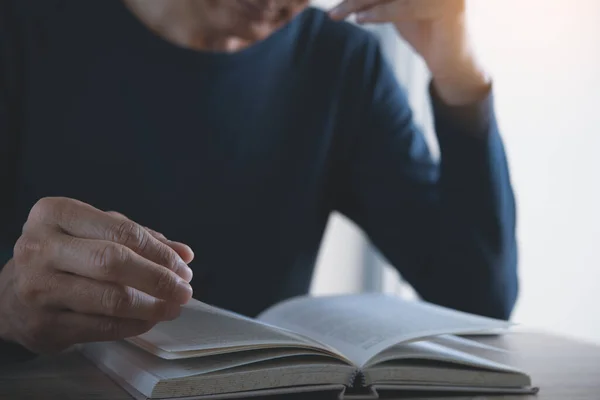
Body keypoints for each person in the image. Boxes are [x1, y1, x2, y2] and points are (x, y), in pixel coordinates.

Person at [0, 0, 518, 362]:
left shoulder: (340, 65)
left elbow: (475, 301)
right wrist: (8, 313)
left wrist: (457, 70)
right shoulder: (22, 26)